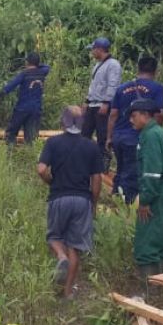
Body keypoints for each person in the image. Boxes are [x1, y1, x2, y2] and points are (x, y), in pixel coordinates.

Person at [37, 105, 104, 299]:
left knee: (54, 237)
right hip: (82, 200)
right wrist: (94, 203)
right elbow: (97, 179)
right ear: (82, 124)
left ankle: (61, 256)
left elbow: (41, 169)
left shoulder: (53, 143)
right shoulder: (91, 146)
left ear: (62, 122)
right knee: (75, 246)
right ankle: (67, 293)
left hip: (59, 197)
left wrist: (51, 181)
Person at [130, 98, 163, 292]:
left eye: (133, 116)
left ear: (144, 114)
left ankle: (151, 291)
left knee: (147, 240)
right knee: (160, 238)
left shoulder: (149, 136)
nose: (131, 121)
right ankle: (162, 286)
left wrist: (145, 200)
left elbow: (151, 172)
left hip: (156, 192)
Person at [106, 56, 163, 204]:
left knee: (120, 169)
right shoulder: (156, 88)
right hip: (136, 138)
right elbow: (160, 114)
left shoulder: (122, 88)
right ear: (155, 71)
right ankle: (126, 205)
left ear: (138, 69)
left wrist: (109, 137)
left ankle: (115, 197)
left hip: (119, 136)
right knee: (132, 173)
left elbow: (113, 114)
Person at [0, 52, 50, 149]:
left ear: (27, 62)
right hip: (36, 110)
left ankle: (10, 154)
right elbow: (47, 66)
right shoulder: (43, 72)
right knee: (31, 137)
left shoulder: (24, 74)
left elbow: (10, 86)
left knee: (11, 133)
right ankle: (29, 157)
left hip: (22, 109)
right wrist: (38, 65)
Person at [80, 37, 123, 166]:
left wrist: (107, 102)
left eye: (93, 49)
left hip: (103, 105)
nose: (92, 52)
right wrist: (87, 101)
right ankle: (85, 159)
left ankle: (103, 161)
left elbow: (113, 85)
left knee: (102, 135)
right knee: (84, 133)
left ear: (99, 49)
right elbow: (93, 86)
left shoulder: (113, 64)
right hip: (93, 104)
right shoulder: (98, 65)